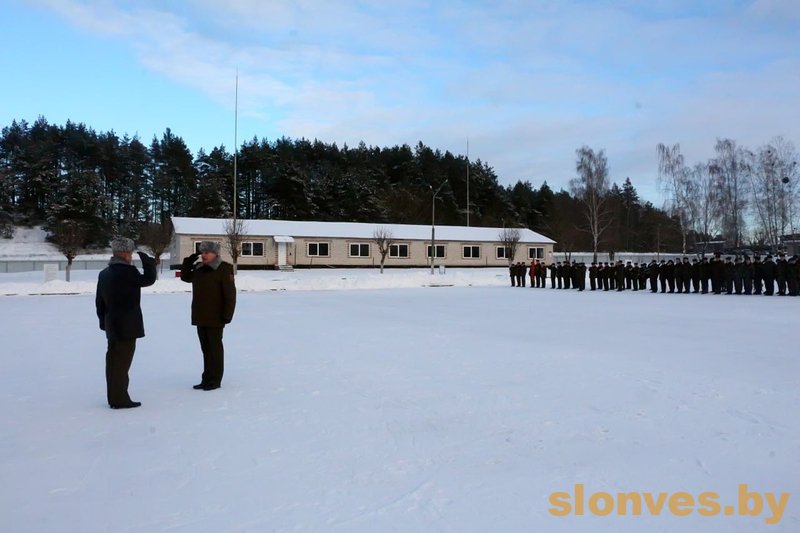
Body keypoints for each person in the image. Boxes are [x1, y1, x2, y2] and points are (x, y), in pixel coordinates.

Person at [95, 237, 157, 409]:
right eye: (129, 252)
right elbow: (148, 280)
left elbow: (99, 301)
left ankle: (114, 397)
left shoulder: (104, 273)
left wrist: (103, 321)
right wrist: (149, 263)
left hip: (112, 325)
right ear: (123, 253)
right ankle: (120, 399)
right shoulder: (128, 272)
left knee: (113, 362)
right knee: (122, 364)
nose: (131, 256)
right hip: (127, 326)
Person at [180, 241, 237, 391]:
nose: (204, 255)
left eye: (207, 252)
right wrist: (188, 262)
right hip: (200, 315)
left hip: (216, 316)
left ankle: (215, 379)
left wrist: (227, 315)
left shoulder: (224, 269)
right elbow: (185, 277)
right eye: (202, 252)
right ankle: (206, 378)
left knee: (214, 349)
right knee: (206, 349)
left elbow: (230, 295)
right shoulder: (199, 269)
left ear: (215, 254)